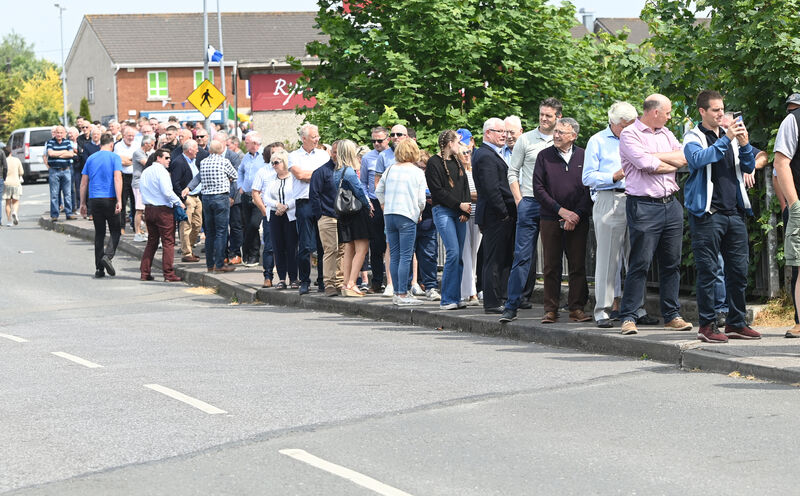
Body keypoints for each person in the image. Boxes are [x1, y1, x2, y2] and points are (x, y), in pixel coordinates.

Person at [683, 90, 761, 342]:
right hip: (708, 214)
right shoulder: (693, 136)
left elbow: (748, 167)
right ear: (702, 111)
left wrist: (745, 143)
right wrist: (727, 139)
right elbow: (698, 160)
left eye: (722, 109)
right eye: (715, 110)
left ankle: (736, 322)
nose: (721, 114)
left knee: (738, 271)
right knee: (708, 271)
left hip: (734, 213)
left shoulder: (730, 137)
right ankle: (707, 325)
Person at [618, 94, 693, 336]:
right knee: (640, 262)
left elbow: (683, 159)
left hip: (670, 204)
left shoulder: (666, 133)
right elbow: (644, 164)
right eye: (668, 112)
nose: (670, 117)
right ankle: (628, 316)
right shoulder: (630, 134)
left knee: (672, 263)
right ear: (655, 112)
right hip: (644, 205)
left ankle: (671, 315)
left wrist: (655, 158)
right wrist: (659, 161)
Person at [581, 101, 652, 328]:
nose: (630, 128)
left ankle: (636, 309)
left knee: (638, 257)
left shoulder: (640, 136)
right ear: (613, 123)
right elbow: (587, 177)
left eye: (633, 123)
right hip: (610, 197)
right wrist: (613, 176)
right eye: (625, 125)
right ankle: (602, 310)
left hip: (638, 197)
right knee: (608, 259)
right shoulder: (598, 141)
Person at [501, 98, 561, 322]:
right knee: (522, 256)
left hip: (555, 206)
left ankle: (554, 308)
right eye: (542, 114)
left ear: (558, 117)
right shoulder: (526, 139)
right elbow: (512, 171)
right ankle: (511, 305)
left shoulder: (562, 139)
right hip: (530, 203)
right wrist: (519, 200)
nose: (544, 119)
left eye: (548, 115)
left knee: (554, 258)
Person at [531, 118, 592, 324]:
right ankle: (551, 309)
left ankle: (576, 308)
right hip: (550, 218)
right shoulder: (544, 156)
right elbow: (538, 189)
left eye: (561, 133)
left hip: (578, 219)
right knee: (551, 265)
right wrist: (561, 211)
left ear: (573, 136)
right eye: (555, 132)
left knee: (577, 265)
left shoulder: (585, 155)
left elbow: (589, 188)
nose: (556, 135)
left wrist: (576, 214)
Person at [376, 139, 427, 306]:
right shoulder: (417, 172)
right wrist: (419, 211)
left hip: (390, 214)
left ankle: (397, 291)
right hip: (407, 214)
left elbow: (378, 190)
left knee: (395, 254)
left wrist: (384, 205)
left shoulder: (390, 169)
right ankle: (403, 293)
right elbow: (421, 200)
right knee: (406, 255)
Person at [426, 129, 471, 310]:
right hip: (443, 211)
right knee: (452, 252)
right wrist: (458, 205)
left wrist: (465, 209)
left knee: (458, 254)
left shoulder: (457, 162)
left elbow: (464, 186)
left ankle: (455, 296)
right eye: (457, 142)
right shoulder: (433, 163)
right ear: (449, 143)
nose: (460, 146)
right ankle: (447, 299)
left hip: (458, 211)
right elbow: (437, 191)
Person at [474, 117, 515, 314]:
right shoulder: (485, 155)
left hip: (499, 214)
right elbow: (492, 189)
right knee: (493, 259)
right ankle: (491, 301)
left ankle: (501, 296)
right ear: (488, 133)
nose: (504, 135)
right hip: (495, 215)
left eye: (505, 132)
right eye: (499, 131)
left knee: (502, 257)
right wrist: (504, 212)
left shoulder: (491, 154)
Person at [183, 140, 238, 272]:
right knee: (221, 232)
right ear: (221, 150)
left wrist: (189, 188)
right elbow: (235, 176)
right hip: (221, 197)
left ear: (209, 150)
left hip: (207, 198)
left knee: (210, 232)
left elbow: (198, 178)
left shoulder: (203, 162)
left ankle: (209, 264)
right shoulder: (224, 162)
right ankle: (219, 264)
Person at [289, 123, 330, 294]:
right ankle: (305, 280)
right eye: (314, 137)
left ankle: (322, 280)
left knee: (323, 244)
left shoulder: (323, 155)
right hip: (304, 202)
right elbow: (299, 175)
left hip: (321, 202)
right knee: (305, 245)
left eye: (317, 136)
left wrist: (311, 175)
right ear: (304, 138)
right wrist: (318, 175)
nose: (317, 139)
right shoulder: (293, 155)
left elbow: (326, 176)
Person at [80, 133, 123, 278]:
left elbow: (83, 182)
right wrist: (119, 200)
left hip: (95, 199)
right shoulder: (115, 157)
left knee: (99, 234)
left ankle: (99, 268)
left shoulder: (91, 158)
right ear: (112, 145)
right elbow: (117, 178)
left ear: (100, 145)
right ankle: (108, 256)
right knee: (115, 231)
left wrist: (82, 203)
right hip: (109, 198)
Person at [254, 148, 297, 290]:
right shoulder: (272, 178)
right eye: (272, 163)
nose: (273, 165)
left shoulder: (293, 178)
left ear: (284, 162)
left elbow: (297, 195)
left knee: (291, 247)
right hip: (275, 215)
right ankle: (282, 278)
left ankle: (294, 278)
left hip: (290, 215)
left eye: (276, 162)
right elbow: (265, 196)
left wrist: (286, 206)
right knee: (278, 247)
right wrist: (277, 205)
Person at [139, 148, 184, 282]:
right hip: (163, 209)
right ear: (158, 158)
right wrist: (178, 202)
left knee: (152, 241)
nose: (169, 160)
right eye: (166, 158)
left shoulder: (146, 171)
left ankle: (145, 272)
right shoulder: (162, 172)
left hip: (149, 208)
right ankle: (168, 274)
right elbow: (167, 192)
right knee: (168, 242)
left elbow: (141, 188)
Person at [334, 140, 372, 297]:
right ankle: (352, 283)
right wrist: (369, 206)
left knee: (349, 248)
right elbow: (359, 192)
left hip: (344, 214)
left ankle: (345, 283)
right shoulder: (350, 171)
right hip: (357, 213)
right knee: (362, 249)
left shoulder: (337, 171)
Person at [309, 141, 344, 297]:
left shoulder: (346, 171)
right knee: (330, 250)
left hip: (344, 217)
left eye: (339, 152)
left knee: (343, 250)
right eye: (334, 152)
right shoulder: (321, 172)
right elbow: (314, 195)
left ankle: (341, 281)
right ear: (331, 153)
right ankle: (329, 283)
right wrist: (321, 215)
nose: (337, 155)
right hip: (327, 216)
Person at [360, 126, 390, 294]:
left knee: (394, 243)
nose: (377, 144)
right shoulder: (367, 158)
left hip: (393, 201)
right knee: (376, 244)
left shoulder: (394, 155)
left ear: (387, 139)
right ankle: (377, 281)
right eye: (373, 141)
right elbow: (363, 182)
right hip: (374, 202)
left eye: (380, 140)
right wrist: (367, 201)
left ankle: (400, 282)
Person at [411, 150, 440, 301]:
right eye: (418, 167)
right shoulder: (410, 177)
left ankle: (431, 286)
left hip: (428, 219)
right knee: (408, 254)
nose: (421, 171)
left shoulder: (432, 178)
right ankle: (410, 285)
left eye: (424, 168)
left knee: (429, 254)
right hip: (411, 218)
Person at [238, 132, 268, 267]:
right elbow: (240, 171)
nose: (245, 145)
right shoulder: (246, 157)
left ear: (255, 144)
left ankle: (249, 250)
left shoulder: (264, 156)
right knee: (247, 225)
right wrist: (240, 186)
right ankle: (251, 255)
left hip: (259, 196)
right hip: (246, 195)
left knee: (254, 224)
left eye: (247, 143)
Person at [171, 140, 203, 263]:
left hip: (197, 196)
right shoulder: (179, 162)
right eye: (196, 148)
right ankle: (187, 252)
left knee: (197, 224)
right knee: (186, 225)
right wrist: (182, 199)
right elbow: (175, 183)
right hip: (187, 198)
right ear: (189, 149)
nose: (198, 150)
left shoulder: (194, 161)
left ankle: (190, 247)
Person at [458, 140, 481, 305]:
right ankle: (469, 292)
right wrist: (473, 195)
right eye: (463, 153)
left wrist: (470, 195)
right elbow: (460, 193)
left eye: (468, 152)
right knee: (465, 254)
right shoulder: (459, 173)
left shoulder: (476, 171)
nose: (467, 155)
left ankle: (471, 289)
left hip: (477, 216)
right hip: (463, 216)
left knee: (475, 255)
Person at [45, 125, 76, 221]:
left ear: (64, 133)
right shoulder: (50, 142)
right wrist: (64, 152)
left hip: (66, 170)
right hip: (54, 170)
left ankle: (69, 213)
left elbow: (71, 154)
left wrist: (57, 154)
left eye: (61, 132)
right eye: (57, 132)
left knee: (67, 193)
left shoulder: (67, 142)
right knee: (54, 194)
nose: (59, 134)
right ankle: (54, 215)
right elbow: (50, 153)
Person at [114, 126, 138, 233]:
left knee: (135, 202)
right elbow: (119, 161)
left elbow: (136, 160)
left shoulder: (137, 145)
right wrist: (132, 160)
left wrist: (127, 160)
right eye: (129, 136)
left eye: (133, 136)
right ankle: (121, 226)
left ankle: (135, 226)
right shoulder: (118, 146)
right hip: (123, 176)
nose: (131, 138)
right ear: (124, 136)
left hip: (135, 176)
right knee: (122, 202)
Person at [131, 136, 154, 242]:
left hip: (144, 184)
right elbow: (147, 164)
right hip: (138, 183)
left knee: (144, 209)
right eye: (151, 145)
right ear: (146, 144)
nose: (152, 147)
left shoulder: (145, 153)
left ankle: (143, 231)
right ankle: (137, 232)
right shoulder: (138, 153)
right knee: (139, 209)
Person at [3, 149, 23, 226]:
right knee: (15, 201)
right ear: (11, 152)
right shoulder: (16, 160)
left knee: (7, 202)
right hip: (16, 183)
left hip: (6, 183)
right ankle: (14, 212)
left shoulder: (3, 161)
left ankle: (9, 221)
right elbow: (21, 172)